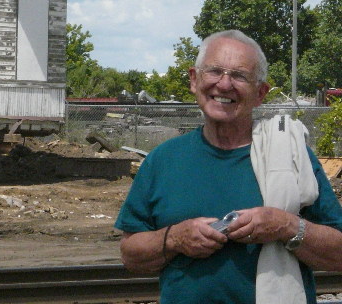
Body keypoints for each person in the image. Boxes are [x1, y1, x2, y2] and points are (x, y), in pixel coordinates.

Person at [114, 29, 342, 304]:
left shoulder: (292, 155)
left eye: (239, 76)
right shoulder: (162, 160)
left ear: (260, 93)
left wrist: (286, 226)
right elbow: (130, 255)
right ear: (194, 80)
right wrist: (175, 238)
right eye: (215, 71)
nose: (224, 85)